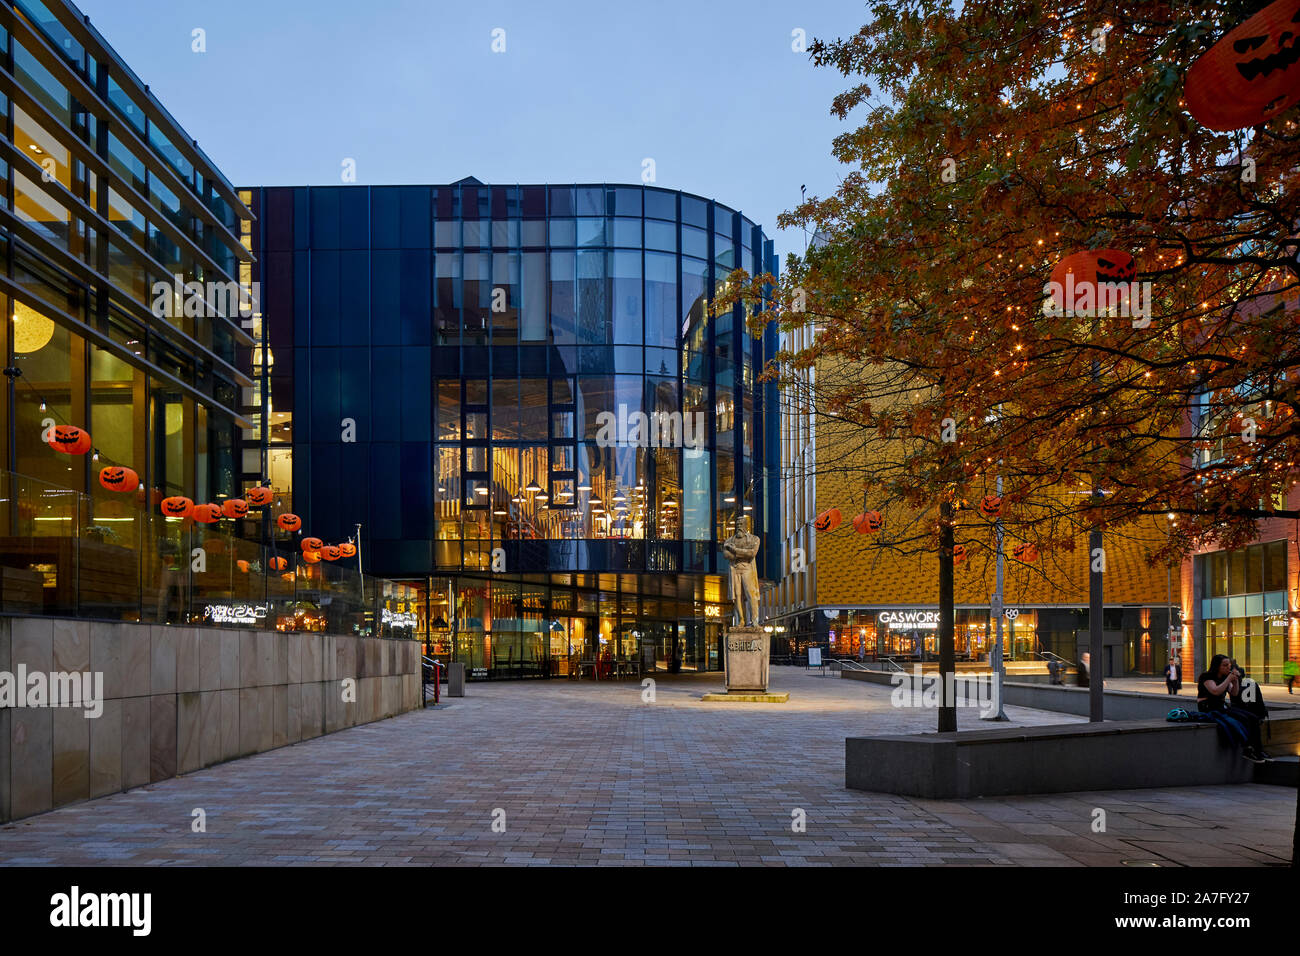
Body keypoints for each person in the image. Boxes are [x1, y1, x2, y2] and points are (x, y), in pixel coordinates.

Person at [1197, 654, 1269, 762]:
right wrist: (1229, 679)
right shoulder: (1206, 677)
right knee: (1241, 719)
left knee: (1253, 718)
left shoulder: (1226, 677)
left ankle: (1258, 750)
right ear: (1217, 666)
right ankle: (1247, 749)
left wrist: (1235, 681)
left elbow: (1234, 693)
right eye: (1225, 665)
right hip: (1208, 707)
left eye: (1229, 665)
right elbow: (1215, 691)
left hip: (1221, 707)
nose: (1228, 668)